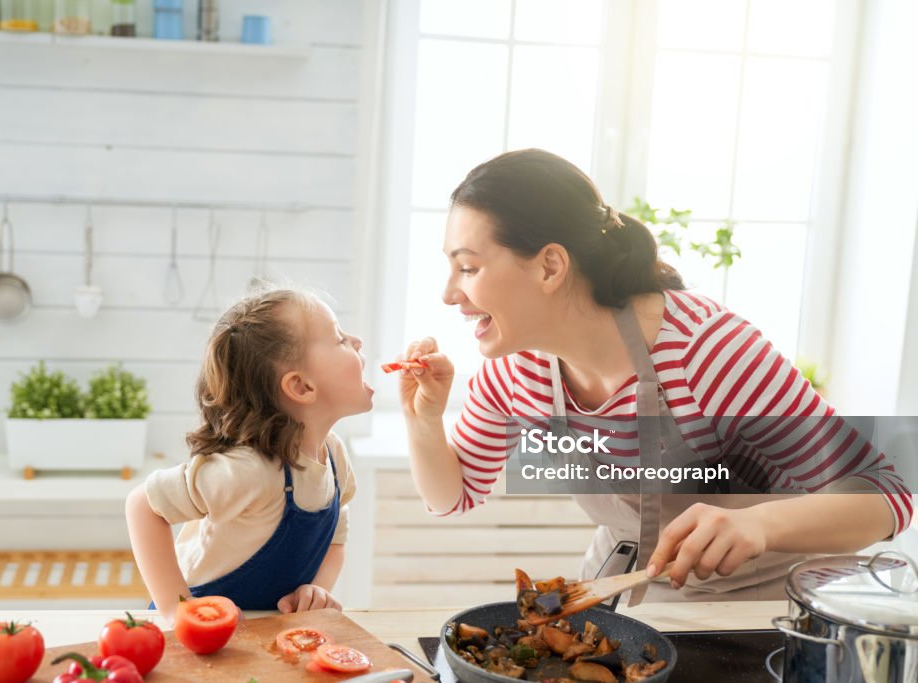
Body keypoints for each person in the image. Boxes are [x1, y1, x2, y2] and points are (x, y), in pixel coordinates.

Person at [398, 149, 913, 603]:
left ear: (550, 267)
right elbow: (453, 495)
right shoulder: (516, 372)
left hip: (755, 602)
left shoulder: (704, 353)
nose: (449, 294)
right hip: (625, 587)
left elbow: (890, 492)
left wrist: (758, 524)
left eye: (467, 268)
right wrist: (424, 420)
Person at [126, 287, 373, 620]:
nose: (356, 340)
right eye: (340, 339)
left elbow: (335, 539)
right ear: (301, 386)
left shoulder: (333, 455)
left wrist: (317, 590)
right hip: (195, 633)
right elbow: (143, 505)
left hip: (265, 631)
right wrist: (176, 610)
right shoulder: (251, 470)